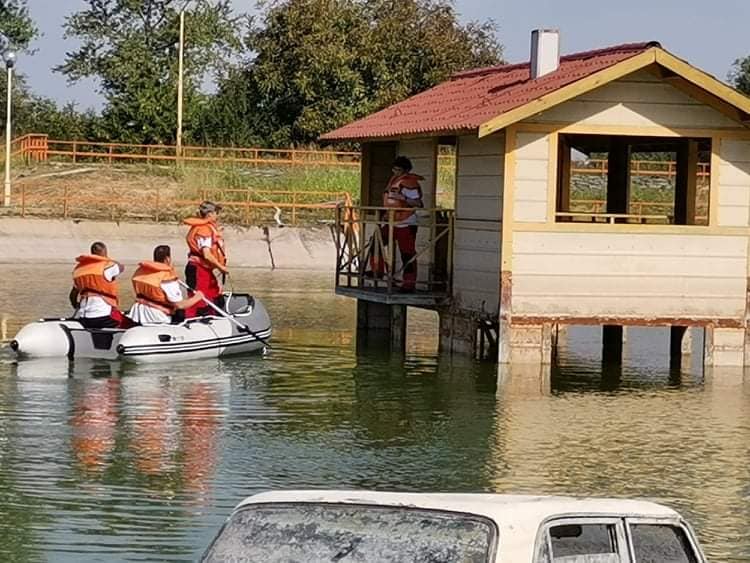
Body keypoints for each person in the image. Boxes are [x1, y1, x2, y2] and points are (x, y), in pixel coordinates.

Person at [370, 156, 424, 292]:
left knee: (407, 254)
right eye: (394, 169)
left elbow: (418, 203)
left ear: (406, 170)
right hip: (392, 221)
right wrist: (384, 215)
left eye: (398, 170)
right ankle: (378, 270)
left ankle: (409, 284)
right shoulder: (394, 181)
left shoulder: (410, 183)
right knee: (376, 242)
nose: (395, 172)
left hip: (407, 223)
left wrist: (403, 198)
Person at [127, 245, 206, 325]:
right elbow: (180, 305)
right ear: (168, 259)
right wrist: (198, 297)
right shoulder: (167, 279)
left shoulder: (143, 272)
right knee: (180, 312)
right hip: (158, 317)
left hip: (139, 314)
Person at [183, 201, 228, 317]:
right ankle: (191, 320)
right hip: (198, 269)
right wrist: (221, 267)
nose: (217, 216)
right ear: (209, 215)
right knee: (197, 297)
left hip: (204, 269)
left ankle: (214, 315)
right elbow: (206, 254)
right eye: (216, 213)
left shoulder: (206, 228)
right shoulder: (204, 231)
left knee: (213, 291)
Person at [71, 241, 129, 328]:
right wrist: (107, 259)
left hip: (83, 316)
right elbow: (121, 267)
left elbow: (72, 296)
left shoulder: (79, 270)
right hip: (102, 315)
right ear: (105, 253)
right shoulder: (107, 268)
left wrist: (77, 305)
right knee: (127, 323)